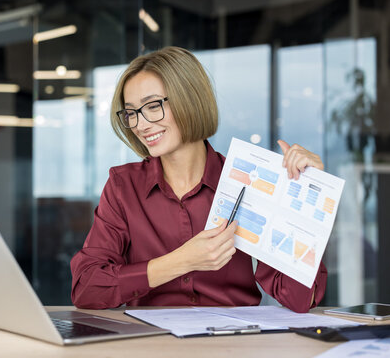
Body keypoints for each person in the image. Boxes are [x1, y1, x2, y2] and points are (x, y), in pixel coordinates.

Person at [70, 46, 327, 313]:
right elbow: (87, 288)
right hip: (150, 345)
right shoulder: (123, 186)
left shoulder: (248, 184)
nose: (141, 125)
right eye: (132, 112)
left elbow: (299, 299)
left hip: (232, 344)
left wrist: (308, 196)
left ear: (189, 99)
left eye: (153, 106)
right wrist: (181, 261)